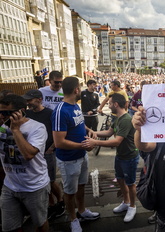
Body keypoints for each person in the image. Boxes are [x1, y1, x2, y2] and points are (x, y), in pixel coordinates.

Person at [52, 77, 100, 232]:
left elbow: (79, 122)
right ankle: (73, 219)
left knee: (81, 186)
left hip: (81, 155)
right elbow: (59, 142)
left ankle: (82, 210)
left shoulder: (75, 106)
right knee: (70, 191)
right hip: (69, 160)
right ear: (76, 90)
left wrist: (89, 130)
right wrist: (84, 145)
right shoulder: (61, 111)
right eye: (80, 87)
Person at [82, 93, 138, 223]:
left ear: (116, 104)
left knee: (130, 184)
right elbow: (109, 132)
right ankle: (126, 201)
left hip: (129, 157)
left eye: (109, 103)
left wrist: (96, 142)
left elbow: (117, 141)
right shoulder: (117, 118)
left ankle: (132, 206)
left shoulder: (125, 120)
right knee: (120, 180)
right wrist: (94, 132)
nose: (108, 105)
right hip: (120, 156)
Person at [0, 94, 50, 232]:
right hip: (10, 186)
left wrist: (15, 130)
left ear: (20, 111)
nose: (2, 116)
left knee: (40, 223)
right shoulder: (2, 127)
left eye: (6, 113)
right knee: (9, 227)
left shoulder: (37, 128)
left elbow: (28, 154)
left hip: (34, 186)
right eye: (0, 112)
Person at [23, 89, 65, 220]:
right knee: (43, 181)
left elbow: (56, 132)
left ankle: (60, 201)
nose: (28, 102)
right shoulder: (27, 113)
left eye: (30, 100)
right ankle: (50, 205)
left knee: (51, 181)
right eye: (27, 100)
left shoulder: (50, 113)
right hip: (33, 153)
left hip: (47, 152)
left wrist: (51, 148)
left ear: (39, 99)